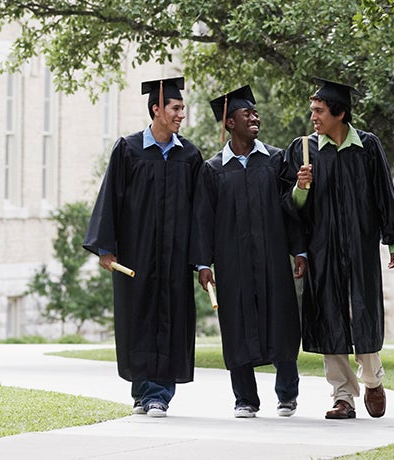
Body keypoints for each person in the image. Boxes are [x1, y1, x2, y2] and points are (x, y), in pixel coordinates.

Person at [284, 78, 394, 420]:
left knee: (362, 314)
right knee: (329, 318)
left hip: (360, 246)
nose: (313, 117)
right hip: (322, 248)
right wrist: (301, 187)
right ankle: (343, 397)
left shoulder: (367, 147)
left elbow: (385, 193)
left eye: (319, 111)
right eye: (312, 110)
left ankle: (372, 380)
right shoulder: (303, 149)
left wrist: (393, 239)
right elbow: (290, 207)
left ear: (340, 113)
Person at [83, 76, 202, 418]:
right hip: (136, 254)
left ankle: (159, 394)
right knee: (139, 319)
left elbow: (199, 211)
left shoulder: (190, 155)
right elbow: (110, 200)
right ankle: (143, 391)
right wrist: (105, 248)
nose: (181, 114)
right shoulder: (129, 149)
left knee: (171, 318)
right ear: (157, 110)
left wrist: (200, 258)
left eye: (182, 108)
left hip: (175, 256)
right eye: (175, 108)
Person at [191, 85, 307, 419]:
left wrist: (300, 250)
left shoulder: (274, 160)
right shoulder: (213, 169)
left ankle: (287, 393)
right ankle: (245, 399)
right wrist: (203, 263)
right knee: (236, 325)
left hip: (272, 257)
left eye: (256, 113)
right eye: (247, 114)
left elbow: (289, 209)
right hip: (232, 261)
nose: (255, 118)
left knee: (282, 321)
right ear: (229, 123)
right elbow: (203, 219)